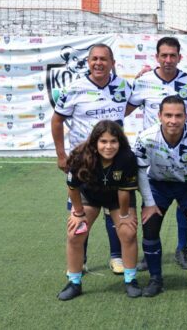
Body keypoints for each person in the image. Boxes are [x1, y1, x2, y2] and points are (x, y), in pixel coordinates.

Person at [51, 43, 132, 275]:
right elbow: (57, 121)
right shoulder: (74, 88)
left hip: (114, 161)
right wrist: (61, 155)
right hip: (84, 163)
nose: (99, 63)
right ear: (88, 62)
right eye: (94, 59)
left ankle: (116, 257)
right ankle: (81, 258)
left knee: (113, 207)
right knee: (80, 212)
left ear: (112, 63)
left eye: (104, 59)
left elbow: (127, 108)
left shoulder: (123, 86)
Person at [128, 36, 187, 271]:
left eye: (173, 55)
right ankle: (149, 255)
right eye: (164, 55)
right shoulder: (144, 82)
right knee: (150, 209)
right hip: (154, 158)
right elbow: (125, 109)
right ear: (157, 57)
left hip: (183, 156)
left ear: (180, 57)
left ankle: (182, 249)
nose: (168, 60)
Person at [134, 95, 187, 297]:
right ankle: (155, 279)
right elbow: (141, 172)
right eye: (168, 115)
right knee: (150, 227)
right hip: (158, 184)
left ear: (186, 117)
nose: (173, 121)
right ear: (159, 116)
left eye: (178, 115)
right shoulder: (146, 137)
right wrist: (149, 204)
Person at [57, 120, 142, 300]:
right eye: (103, 141)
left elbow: (124, 192)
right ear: (95, 142)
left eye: (113, 141)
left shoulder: (127, 158)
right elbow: (73, 188)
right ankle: (74, 282)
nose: (108, 146)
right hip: (90, 196)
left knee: (128, 232)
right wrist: (78, 213)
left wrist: (125, 215)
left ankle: (130, 280)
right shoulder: (80, 156)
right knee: (75, 234)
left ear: (120, 142)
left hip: (117, 198)